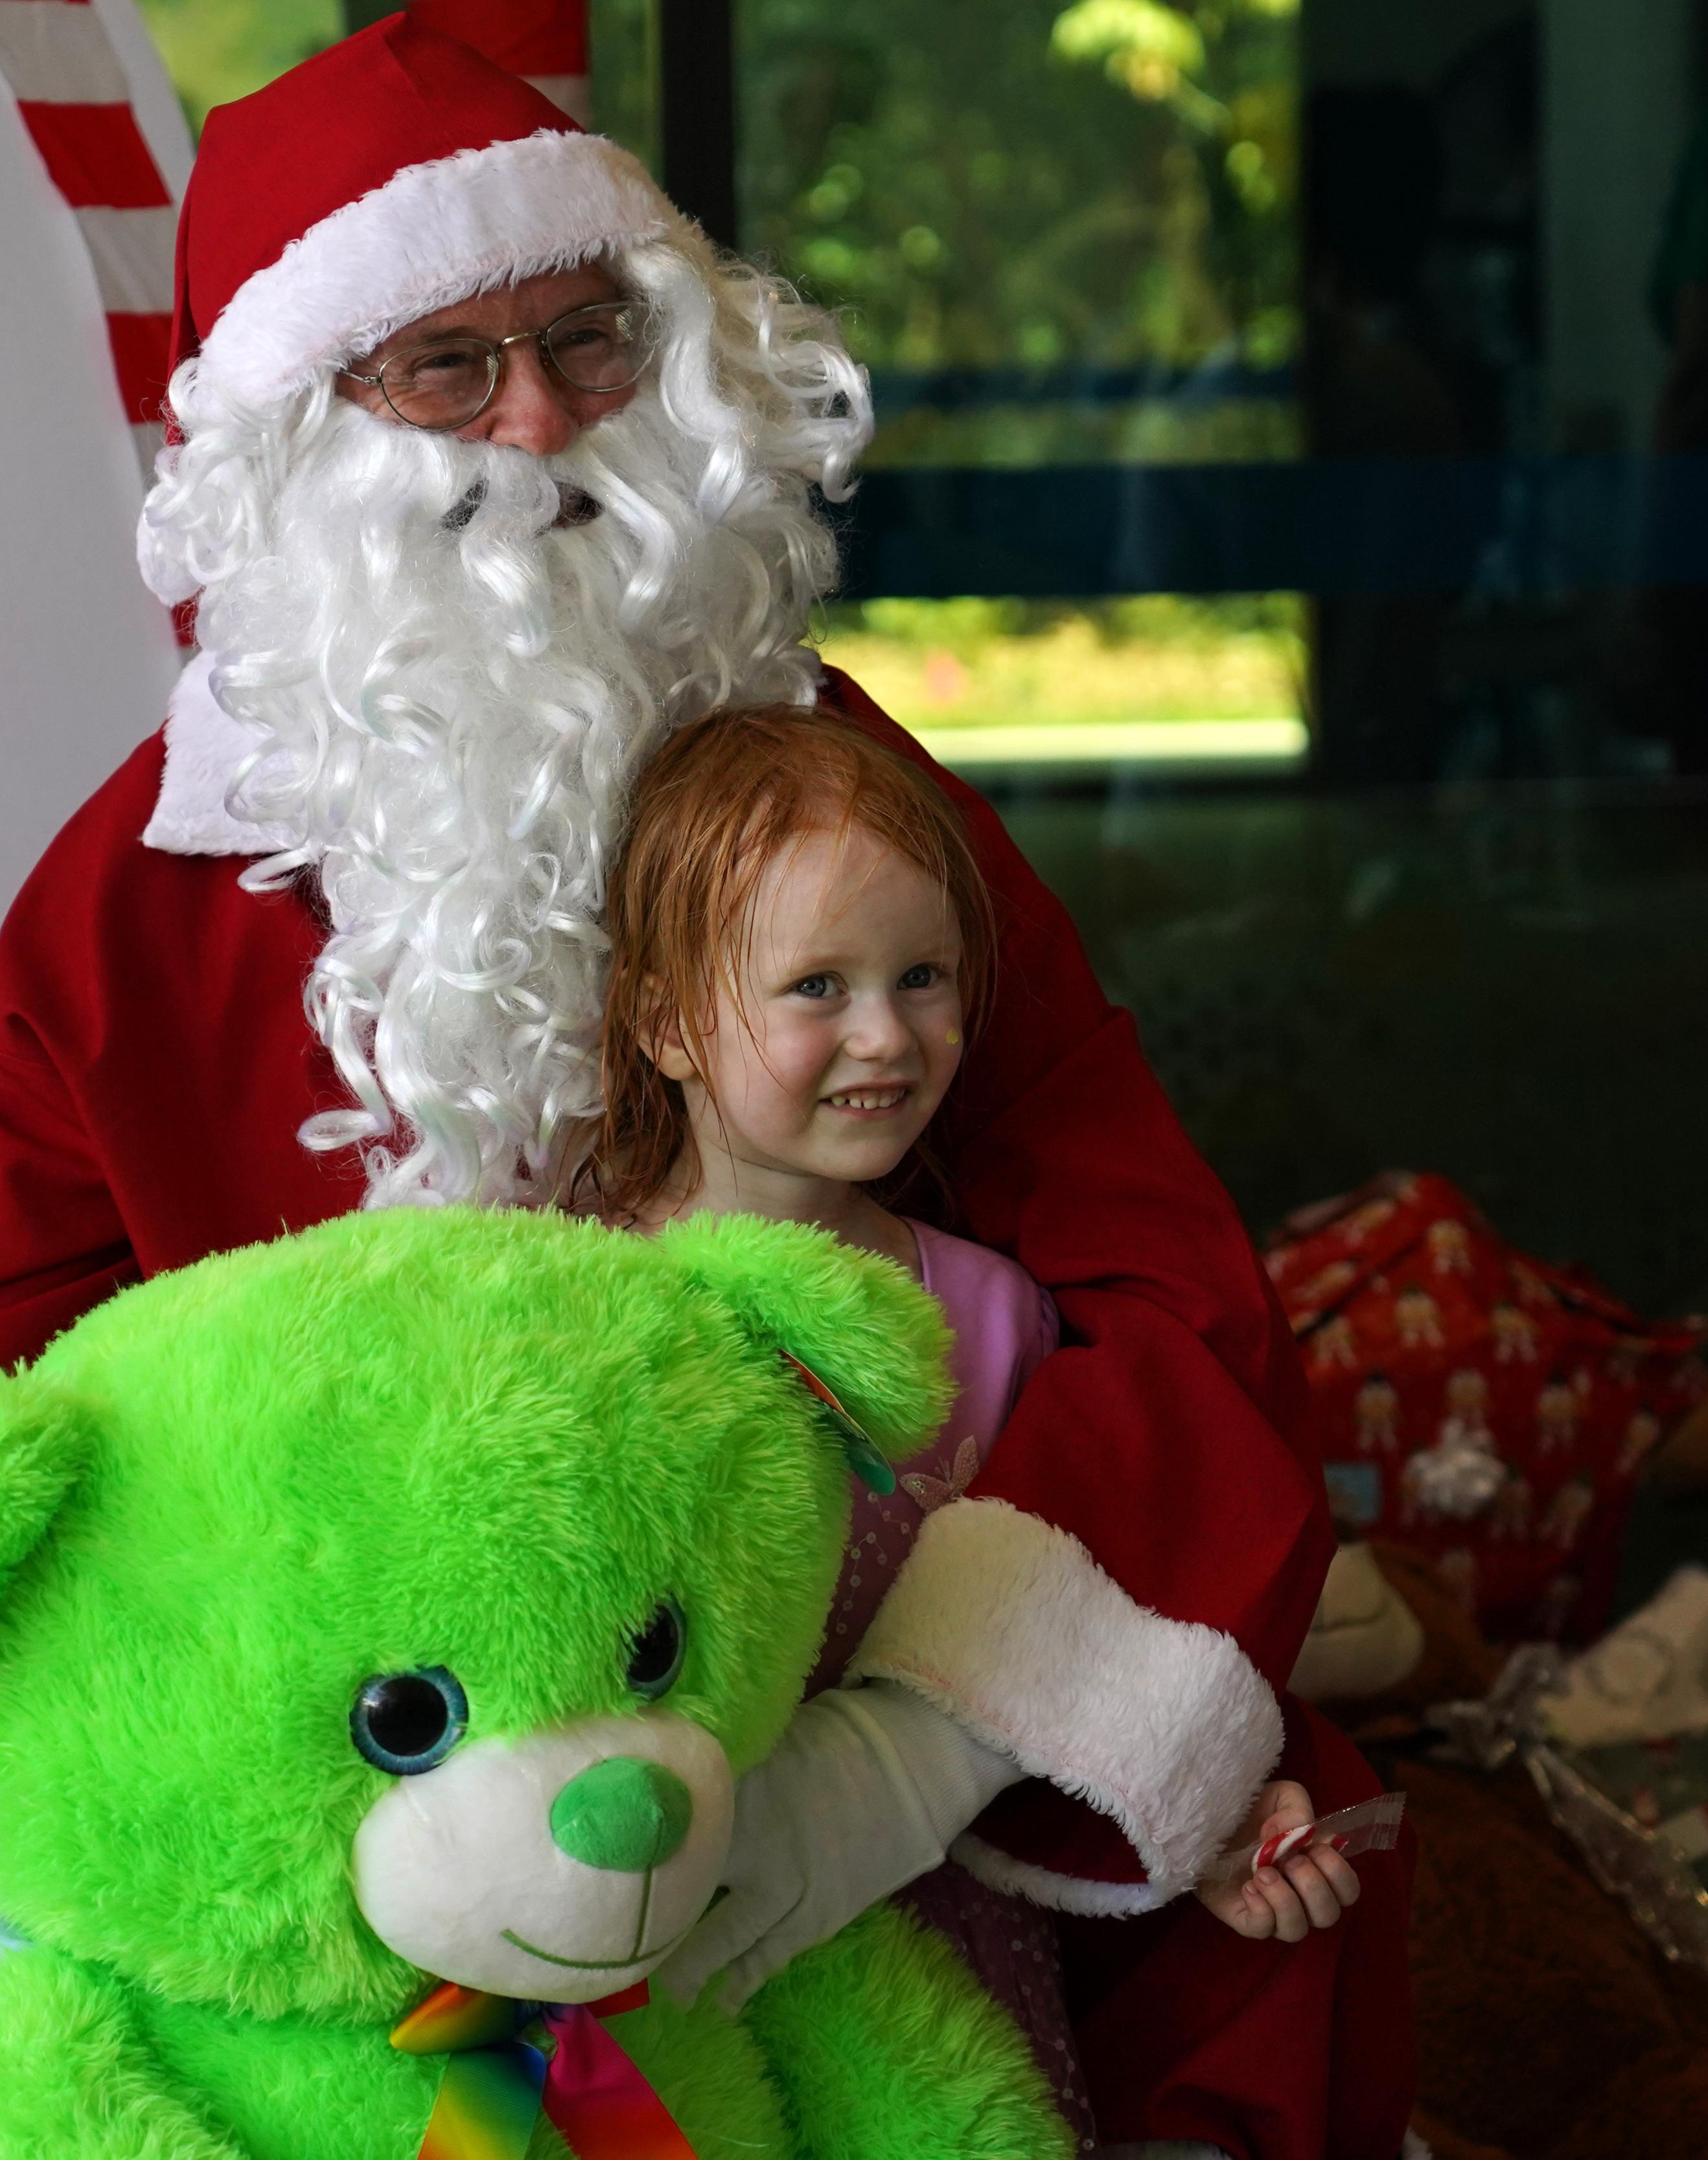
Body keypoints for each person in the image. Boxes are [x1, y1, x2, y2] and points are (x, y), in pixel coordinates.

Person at [0, 19, 1411, 2158]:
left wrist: (906, 1755)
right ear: (296, 433)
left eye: (589, 341)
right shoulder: (129, 920)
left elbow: (1162, 1283)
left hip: (818, 1714)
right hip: (335, 1814)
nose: (542, 430)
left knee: (1272, 1885)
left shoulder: (844, 798)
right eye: (443, 368)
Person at [590, 705, 1366, 2135]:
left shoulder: (1000, 1322)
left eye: (925, 974)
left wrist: (1205, 1823)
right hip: (681, 1977)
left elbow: (1080, 1663)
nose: (885, 1034)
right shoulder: (570, 1308)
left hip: (955, 1963)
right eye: (816, 983)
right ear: (662, 1018)